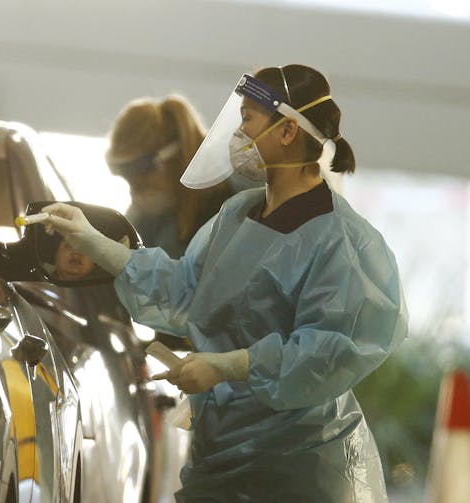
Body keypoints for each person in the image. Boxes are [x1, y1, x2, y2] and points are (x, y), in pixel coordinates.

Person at [38, 64, 408, 502]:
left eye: (249, 118)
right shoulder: (237, 215)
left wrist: (229, 365)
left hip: (299, 468)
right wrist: (95, 243)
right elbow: (183, 290)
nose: (239, 133)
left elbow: (331, 349)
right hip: (220, 457)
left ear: (288, 131)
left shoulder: (341, 241)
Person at [105, 95, 237, 259]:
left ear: (174, 157)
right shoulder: (147, 218)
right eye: (127, 177)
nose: (135, 189)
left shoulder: (231, 209)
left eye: (141, 175)